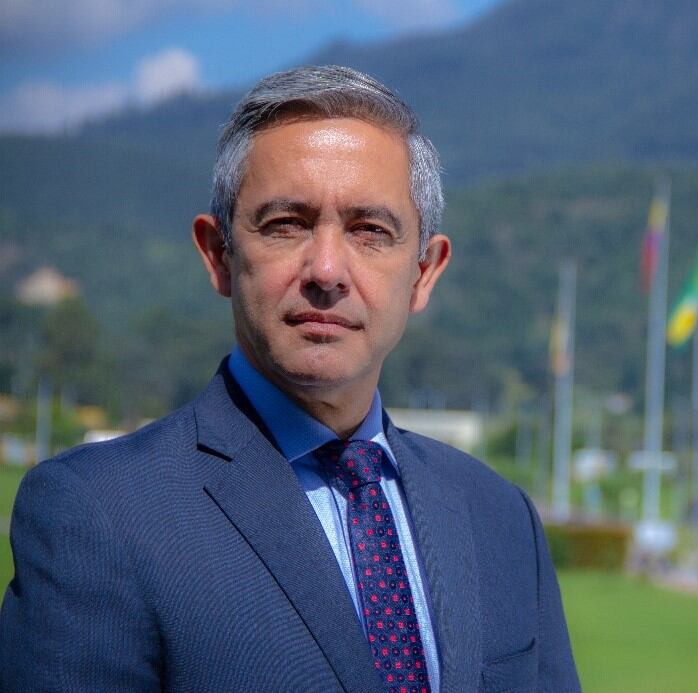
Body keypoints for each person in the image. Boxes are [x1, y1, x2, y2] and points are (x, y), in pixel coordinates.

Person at [0, 65, 580, 692]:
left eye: (370, 231)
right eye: (286, 224)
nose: (326, 270)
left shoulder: (500, 517)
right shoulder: (99, 513)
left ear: (425, 272)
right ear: (219, 255)